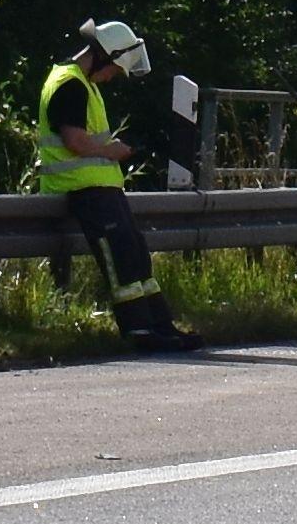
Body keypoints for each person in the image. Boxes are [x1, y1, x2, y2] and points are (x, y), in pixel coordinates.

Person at [37, 18, 191, 348]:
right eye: (114, 69)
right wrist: (111, 151)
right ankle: (139, 331)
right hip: (80, 188)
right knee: (118, 255)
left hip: (99, 187)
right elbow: (74, 140)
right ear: (104, 56)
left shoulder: (84, 83)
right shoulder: (70, 84)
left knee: (135, 251)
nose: (113, 77)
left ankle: (160, 326)